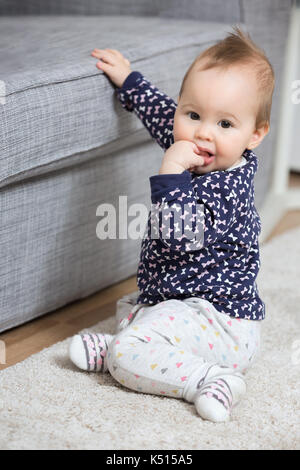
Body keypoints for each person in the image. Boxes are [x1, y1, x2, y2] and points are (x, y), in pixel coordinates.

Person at [69, 26, 274, 422]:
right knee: (134, 306)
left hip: (221, 323)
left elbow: (179, 235)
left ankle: (210, 379)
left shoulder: (228, 188)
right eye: (193, 114)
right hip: (180, 305)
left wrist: (173, 169)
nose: (202, 133)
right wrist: (130, 82)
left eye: (225, 124)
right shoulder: (202, 143)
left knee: (132, 348)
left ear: (255, 134)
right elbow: (165, 114)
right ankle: (126, 341)